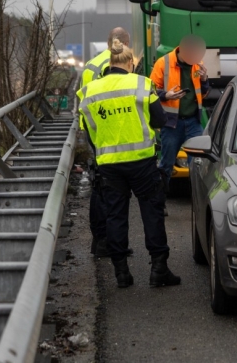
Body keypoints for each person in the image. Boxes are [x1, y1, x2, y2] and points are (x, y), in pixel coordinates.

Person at [77, 38, 180, 288]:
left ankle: (121, 273)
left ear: (109, 63)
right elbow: (158, 120)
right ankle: (158, 269)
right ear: (130, 63)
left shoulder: (89, 92)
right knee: (152, 213)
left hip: (109, 165)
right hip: (142, 162)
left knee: (115, 216)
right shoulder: (141, 84)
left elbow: (88, 131)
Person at [76, 27, 131, 258]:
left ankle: (100, 240)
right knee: (107, 189)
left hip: (92, 128)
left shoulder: (91, 64)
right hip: (109, 130)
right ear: (123, 44)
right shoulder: (112, 65)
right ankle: (105, 242)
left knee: (101, 185)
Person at [150, 34, 209, 214]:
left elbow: (203, 92)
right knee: (166, 164)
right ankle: (159, 203)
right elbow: (150, 89)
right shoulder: (163, 63)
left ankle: (200, 204)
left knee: (198, 164)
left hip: (193, 121)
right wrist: (166, 95)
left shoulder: (198, 64)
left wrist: (206, 80)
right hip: (171, 123)